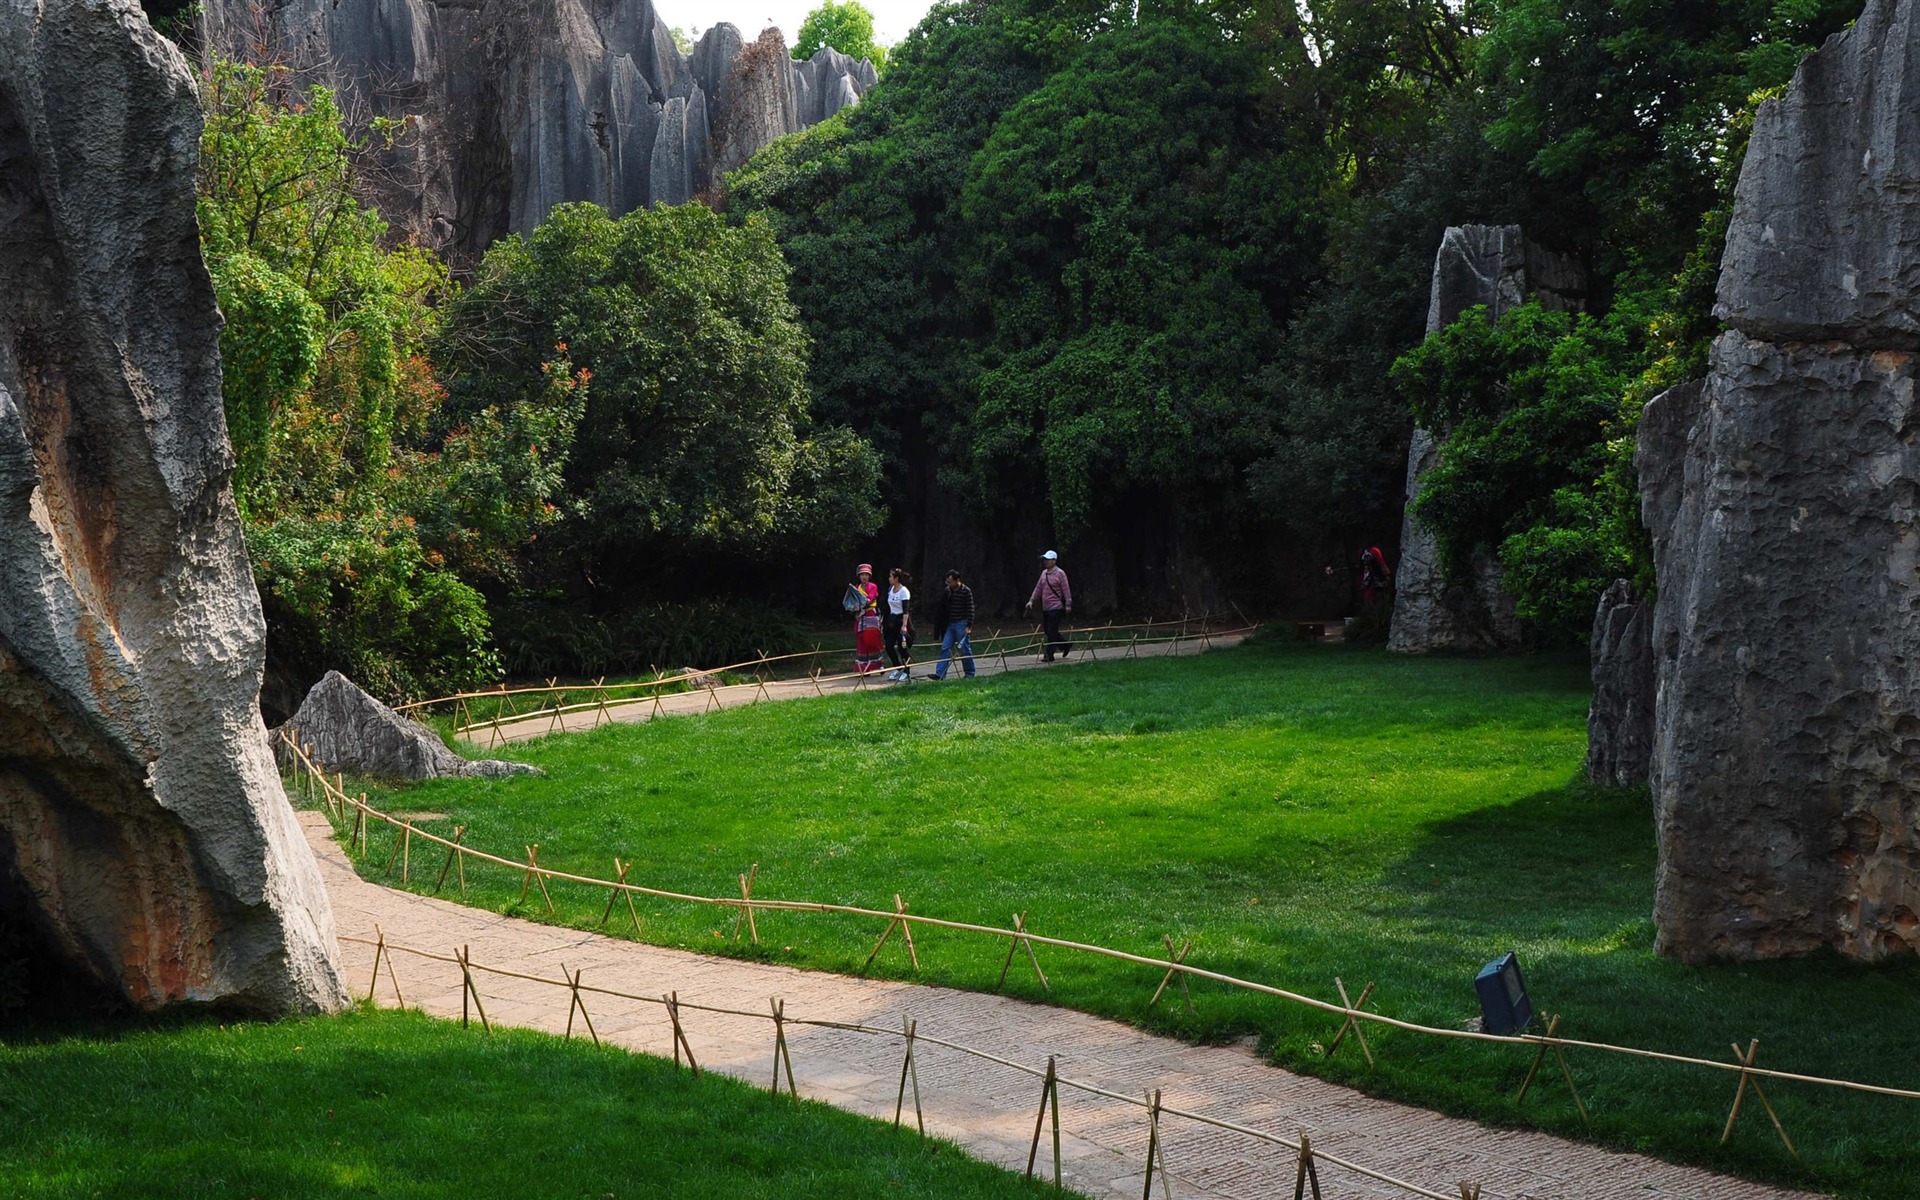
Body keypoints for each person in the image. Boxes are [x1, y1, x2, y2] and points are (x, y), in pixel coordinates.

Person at [1024, 550, 1073, 663]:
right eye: (1045, 559)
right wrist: (1031, 600)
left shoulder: (1060, 573)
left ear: (1054, 561)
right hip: (1046, 608)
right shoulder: (1044, 574)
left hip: (1056, 607)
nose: (1046, 562)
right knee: (1048, 630)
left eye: (1048, 559)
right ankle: (1065, 645)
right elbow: (1038, 588)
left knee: (1051, 631)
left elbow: (1066, 589)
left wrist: (1068, 604)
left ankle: (1049, 655)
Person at [930, 569, 977, 680]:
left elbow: (971, 609)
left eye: (950, 582)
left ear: (957, 580)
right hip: (950, 624)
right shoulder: (948, 591)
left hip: (962, 623)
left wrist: (969, 625)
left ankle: (970, 673)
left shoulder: (966, 591)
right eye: (947, 582)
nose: (949, 584)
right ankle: (940, 674)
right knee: (945, 648)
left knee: (964, 649)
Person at [884, 568, 914, 682]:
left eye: (891, 577)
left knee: (903, 648)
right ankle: (897, 667)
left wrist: (904, 625)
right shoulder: (890, 589)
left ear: (896, 579)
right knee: (889, 645)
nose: (889, 579)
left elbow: (906, 610)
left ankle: (907, 671)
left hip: (901, 620)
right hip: (892, 621)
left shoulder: (904, 591)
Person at [850, 564, 881, 672]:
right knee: (861, 640)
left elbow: (869, 599)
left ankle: (876, 664)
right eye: (862, 574)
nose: (864, 577)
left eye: (866, 575)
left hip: (870, 615)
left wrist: (861, 604)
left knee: (871, 640)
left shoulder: (873, 586)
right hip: (860, 616)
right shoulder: (856, 588)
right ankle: (863, 667)